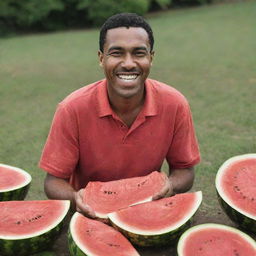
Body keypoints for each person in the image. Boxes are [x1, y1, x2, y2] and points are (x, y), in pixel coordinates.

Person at [39, 13, 200, 218]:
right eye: (117, 53)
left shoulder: (175, 104)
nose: (129, 63)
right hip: (92, 216)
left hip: (147, 212)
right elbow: (53, 182)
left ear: (151, 58)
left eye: (139, 53)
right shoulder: (71, 109)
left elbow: (185, 171)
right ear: (101, 58)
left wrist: (171, 184)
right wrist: (75, 197)